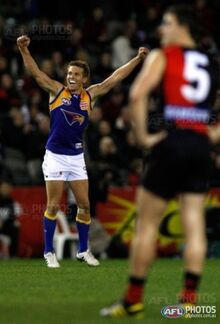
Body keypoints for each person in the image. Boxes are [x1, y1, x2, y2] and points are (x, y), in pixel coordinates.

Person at [100, 4, 219, 318]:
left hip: (169, 144)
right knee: (194, 225)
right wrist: (209, 137)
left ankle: (133, 300)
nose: (161, 29)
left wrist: (143, 138)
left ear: (182, 26)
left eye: (167, 23)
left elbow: (137, 95)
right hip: (199, 146)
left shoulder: (163, 56)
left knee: (147, 225)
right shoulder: (211, 63)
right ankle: (189, 305)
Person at [17, 35, 148, 268]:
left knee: (85, 206)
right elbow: (36, 73)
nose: (70, 77)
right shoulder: (57, 91)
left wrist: (137, 59)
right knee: (53, 206)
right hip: (55, 156)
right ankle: (49, 252)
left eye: (76, 74)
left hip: (76, 158)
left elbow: (115, 77)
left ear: (84, 78)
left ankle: (83, 250)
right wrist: (23, 49)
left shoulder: (91, 95)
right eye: (69, 73)